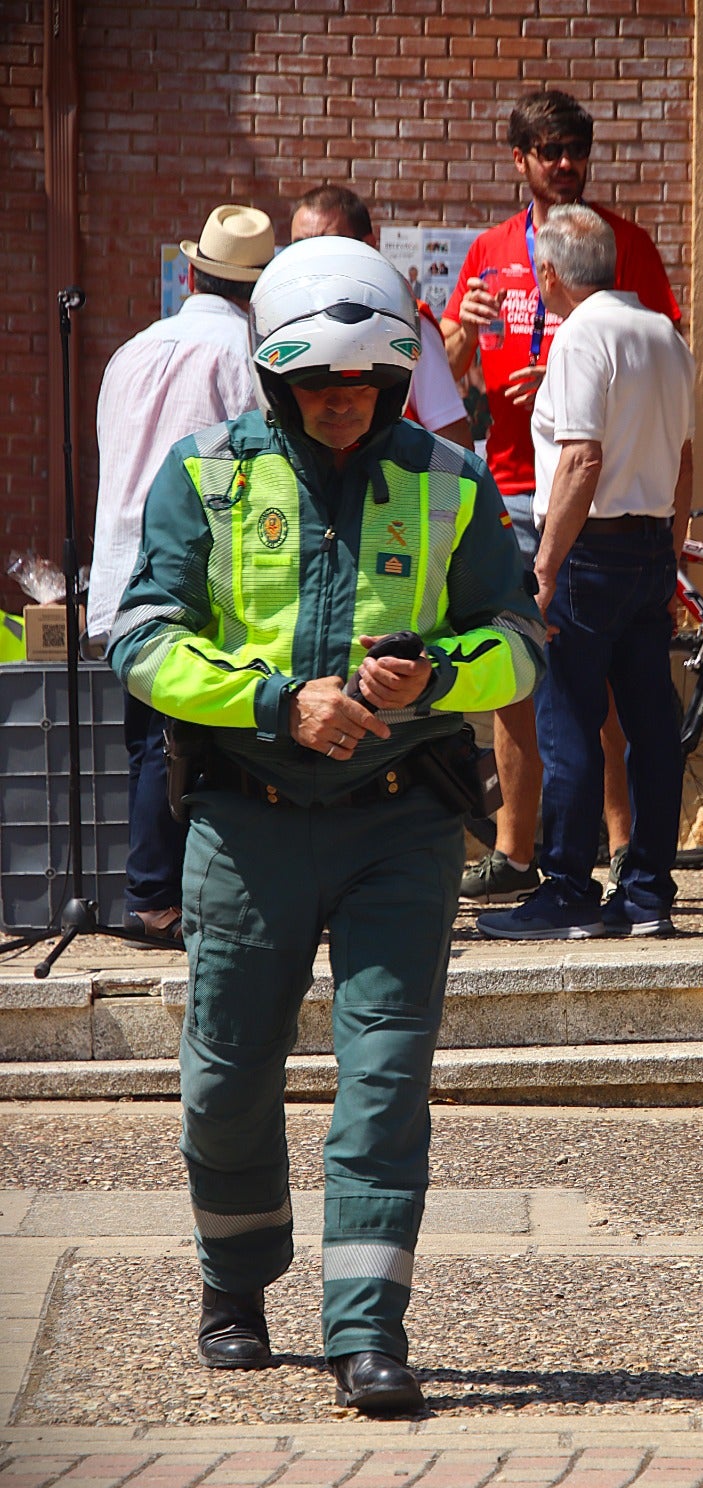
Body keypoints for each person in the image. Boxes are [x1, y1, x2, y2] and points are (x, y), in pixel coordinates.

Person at [107, 238, 544, 1414]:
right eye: (317, 388)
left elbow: (518, 636)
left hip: (399, 826)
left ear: (398, 382)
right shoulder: (204, 476)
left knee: (386, 1076)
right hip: (246, 823)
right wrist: (271, 701)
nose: (341, 407)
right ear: (275, 383)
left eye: (362, 387)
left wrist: (436, 675)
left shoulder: (452, 481)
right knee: (226, 1078)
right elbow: (140, 637)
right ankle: (236, 1281)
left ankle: (366, 1330)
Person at [440, 90, 681, 906]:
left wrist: (575, 378)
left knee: (592, 689)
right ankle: (517, 850)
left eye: (577, 149)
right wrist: (463, 333)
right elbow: (446, 379)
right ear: (520, 161)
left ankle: (608, 853)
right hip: (509, 481)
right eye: (550, 151)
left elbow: (655, 355)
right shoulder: (488, 250)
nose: (567, 164)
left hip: (586, 494)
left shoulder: (620, 245)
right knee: (520, 675)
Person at [477, 207, 694, 941]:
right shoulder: (665, 334)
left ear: (549, 275)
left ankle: (568, 890)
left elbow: (579, 461)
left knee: (566, 719)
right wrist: (675, 551)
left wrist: (542, 571)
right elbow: (685, 458)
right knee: (649, 727)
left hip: (587, 553)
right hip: (650, 548)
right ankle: (646, 895)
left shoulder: (579, 336)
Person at [87, 203, 276, 946]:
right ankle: (157, 898)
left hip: (118, 567)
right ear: (257, 290)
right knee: (190, 743)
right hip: (194, 568)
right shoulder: (245, 356)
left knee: (151, 738)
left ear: (191, 272)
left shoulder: (131, 350)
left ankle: (158, 893)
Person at [290, 184, 472, 450]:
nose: (312, 258)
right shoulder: (282, 324)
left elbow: (455, 445)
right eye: (299, 247)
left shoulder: (407, 323)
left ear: (368, 246)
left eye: (328, 244)